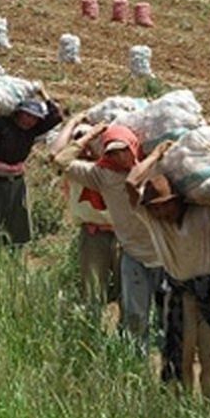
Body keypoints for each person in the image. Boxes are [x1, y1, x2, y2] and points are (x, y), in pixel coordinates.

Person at [128, 144, 210, 405]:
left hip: (208, 291)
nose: (162, 212)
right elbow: (131, 183)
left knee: (207, 356)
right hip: (179, 293)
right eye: (155, 208)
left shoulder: (203, 213)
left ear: (177, 201)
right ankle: (183, 409)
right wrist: (155, 155)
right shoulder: (152, 220)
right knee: (181, 357)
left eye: (165, 206)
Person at [50, 119, 164, 349]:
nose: (121, 157)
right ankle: (99, 344)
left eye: (124, 150)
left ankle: (147, 353)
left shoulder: (152, 171)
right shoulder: (102, 174)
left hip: (154, 252)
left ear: (134, 146)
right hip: (115, 243)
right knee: (100, 293)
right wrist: (89, 134)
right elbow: (60, 160)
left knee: (142, 306)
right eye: (114, 152)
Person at [0, 96, 63, 245]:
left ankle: (16, 248)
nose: (29, 121)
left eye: (34, 118)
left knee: (17, 215)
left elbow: (57, 116)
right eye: (27, 115)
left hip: (16, 178)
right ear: (18, 113)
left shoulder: (32, 130)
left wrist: (43, 95)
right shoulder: (1, 124)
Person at [49, 119, 120, 306]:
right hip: (93, 234)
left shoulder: (112, 169)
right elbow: (55, 155)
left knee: (127, 292)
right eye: (81, 146)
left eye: (92, 145)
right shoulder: (75, 170)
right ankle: (93, 328)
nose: (87, 151)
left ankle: (126, 332)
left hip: (123, 234)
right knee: (93, 290)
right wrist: (75, 125)